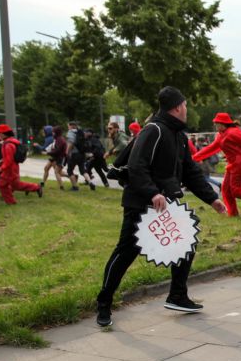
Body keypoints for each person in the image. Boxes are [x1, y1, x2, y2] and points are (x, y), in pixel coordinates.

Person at [95, 86, 227, 327]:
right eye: (185, 105)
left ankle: (177, 295)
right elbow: (136, 166)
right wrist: (152, 192)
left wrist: (212, 198)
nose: (187, 109)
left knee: (185, 240)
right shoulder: (153, 131)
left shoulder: (178, 135)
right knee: (126, 252)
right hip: (141, 203)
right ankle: (104, 302)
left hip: (167, 203)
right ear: (177, 107)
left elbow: (190, 172)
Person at [192, 112, 241, 216]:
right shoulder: (221, 135)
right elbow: (212, 148)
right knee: (225, 190)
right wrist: (194, 158)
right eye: (215, 123)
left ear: (223, 123)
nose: (215, 126)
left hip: (240, 164)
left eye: (217, 124)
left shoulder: (233, 132)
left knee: (236, 191)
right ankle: (233, 213)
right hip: (232, 165)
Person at [0, 124, 43, 204]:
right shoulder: (10, 141)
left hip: (9, 169)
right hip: (12, 167)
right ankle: (36, 187)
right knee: (14, 185)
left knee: (3, 185)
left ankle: (11, 202)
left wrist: (1, 167)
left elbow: (9, 160)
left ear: (3, 134)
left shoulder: (8, 144)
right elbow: (9, 157)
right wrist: (2, 160)